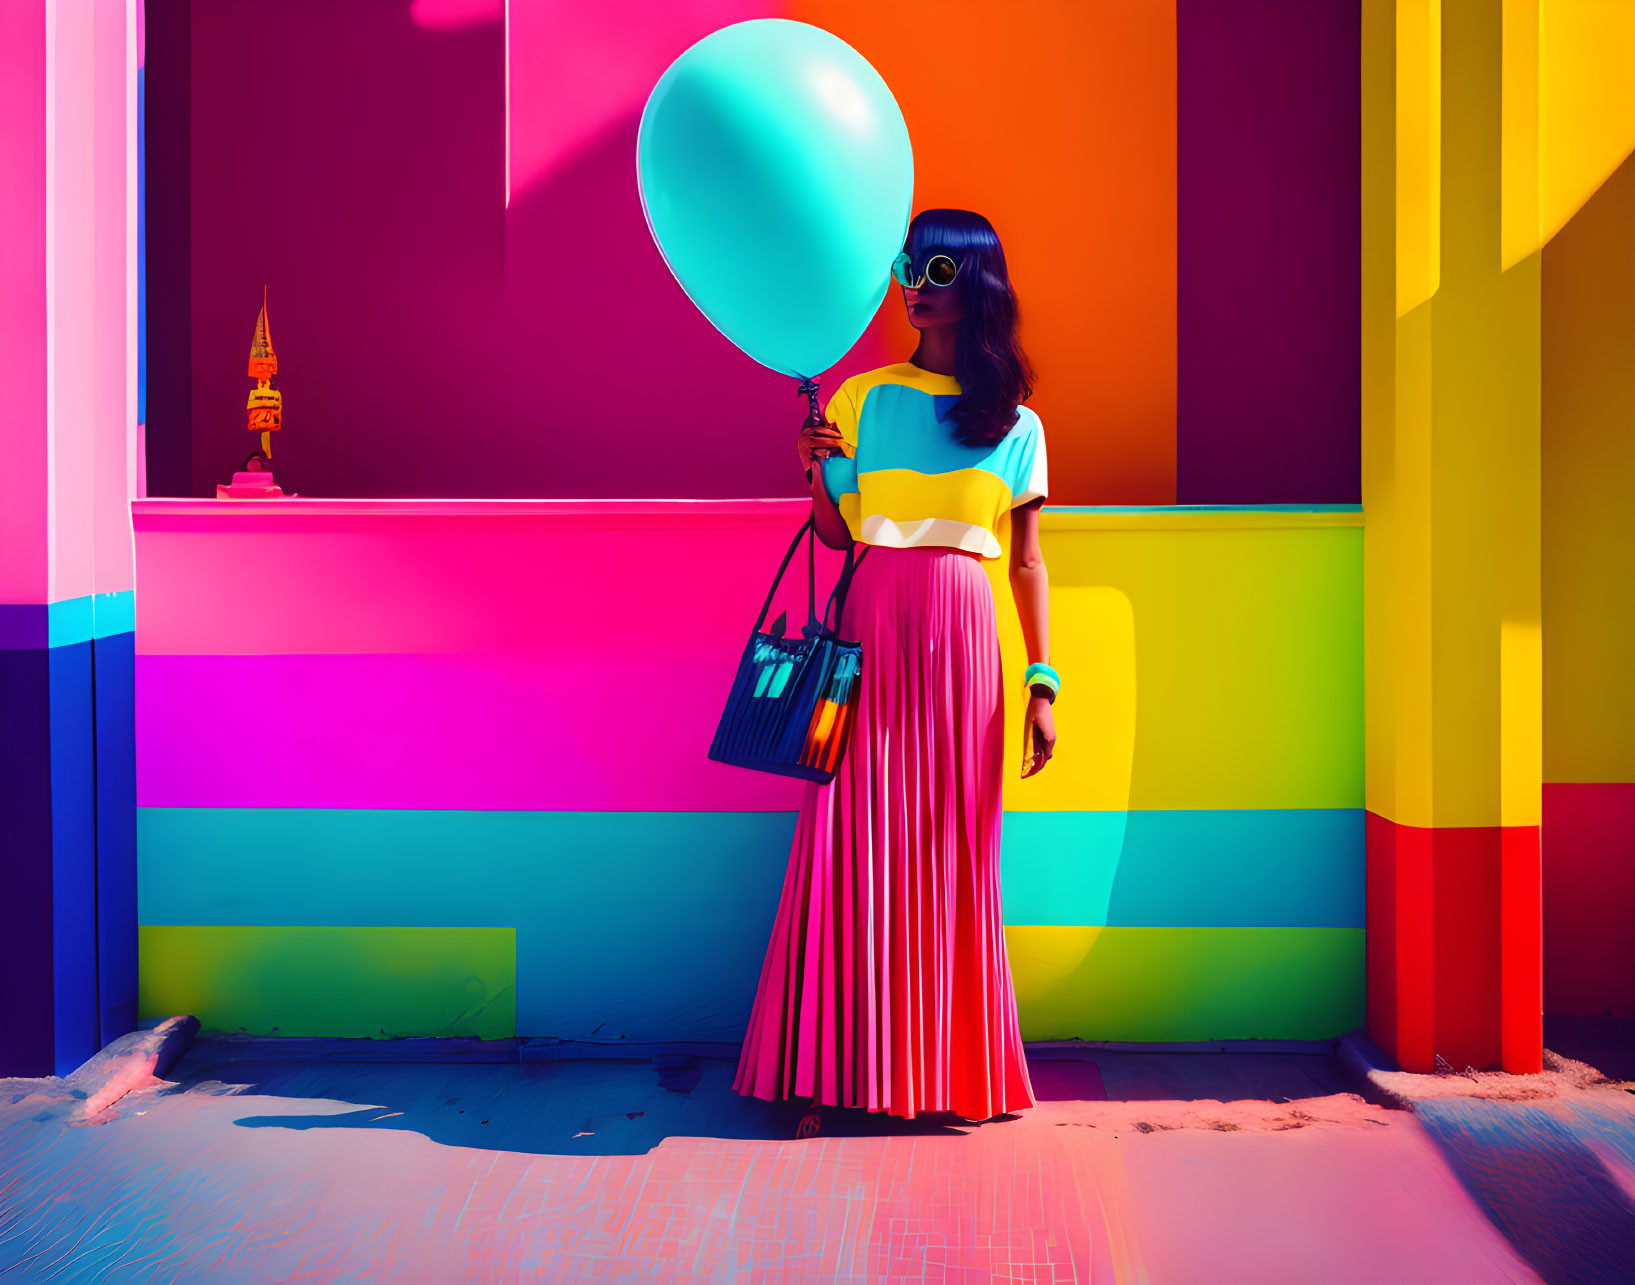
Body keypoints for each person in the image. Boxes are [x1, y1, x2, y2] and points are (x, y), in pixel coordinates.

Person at [733, 209, 1057, 1131]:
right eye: (905, 266)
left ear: (979, 282)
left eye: (937, 265)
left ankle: (950, 1073)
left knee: (951, 854)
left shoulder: (1017, 423)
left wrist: (1042, 684)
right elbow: (837, 536)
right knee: (841, 844)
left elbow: (1026, 562)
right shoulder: (859, 397)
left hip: (966, 646)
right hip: (871, 627)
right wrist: (813, 471)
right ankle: (821, 1073)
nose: (914, 281)